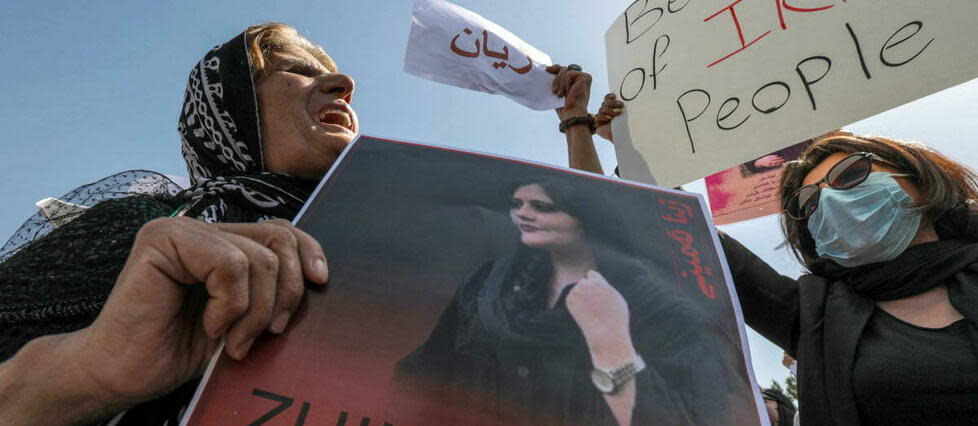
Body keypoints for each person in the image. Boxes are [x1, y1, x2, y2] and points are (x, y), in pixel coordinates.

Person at [0, 23, 355, 424]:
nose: (343, 84)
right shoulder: (143, 233)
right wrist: (89, 370)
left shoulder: (403, 253)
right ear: (234, 107)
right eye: (299, 71)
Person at [563, 84, 978, 424]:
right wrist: (624, 148)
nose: (830, 201)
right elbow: (666, 224)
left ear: (919, 179)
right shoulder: (812, 316)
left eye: (850, 174)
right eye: (809, 204)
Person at [393, 176, 756, 426]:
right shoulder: (490, 283)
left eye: (543, 206)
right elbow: (428, 366)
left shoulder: (657, 310)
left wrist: (611, 344)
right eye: (517, 203)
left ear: (585, 219)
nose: (523, 213)